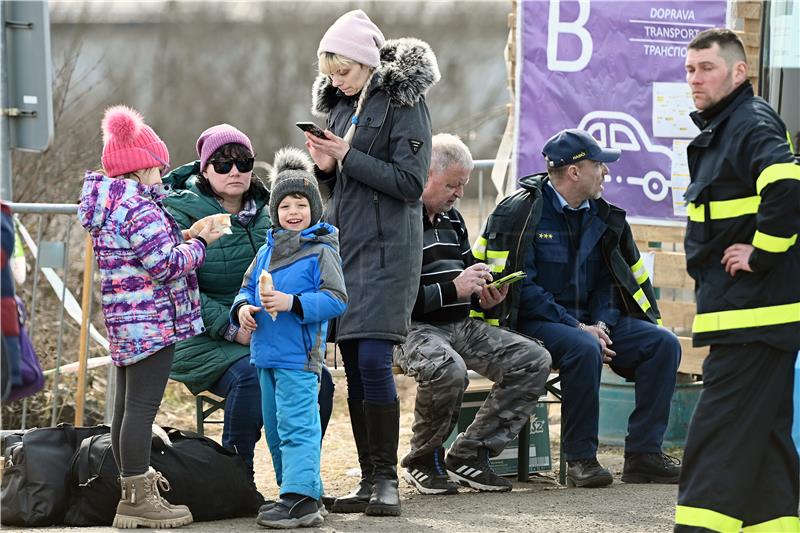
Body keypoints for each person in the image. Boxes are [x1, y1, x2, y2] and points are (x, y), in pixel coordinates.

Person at [475, 128, 682, 489]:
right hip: (535, 323)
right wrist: (576, 326)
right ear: (574, 171)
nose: (606, 173)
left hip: (594, 325)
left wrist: (599, 322)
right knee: (582, 347)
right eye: (599, 165)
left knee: (662, 343)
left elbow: (611, 283)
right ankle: (581, 459)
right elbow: (522, 287)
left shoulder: (606, 217)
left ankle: (644, 455)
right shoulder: (520, 213)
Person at [303, 9, 439, 516]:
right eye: (331, 73)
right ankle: (367, 478)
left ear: (365, 61)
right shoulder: (341, 106)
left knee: (375, 360)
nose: (335, 81)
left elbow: (409, 183)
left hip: (388, 253)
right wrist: (326, 169)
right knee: (358, 365)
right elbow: (346, 183)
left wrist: (347, 156)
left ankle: (387, 481)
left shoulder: (405, 102)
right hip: (348, 248)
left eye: (344, 71)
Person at [675, 29, 800, 532]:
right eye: (689, 69)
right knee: (763, 439)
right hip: (748, 314)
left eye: (706, 68)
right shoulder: (726, 127)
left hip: (755, 315)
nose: (695, 79)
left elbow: (786, 187)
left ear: (738, 71)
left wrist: (762, 252)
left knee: (717, 435)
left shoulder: (748, 121)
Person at [78, 105, 226, 529]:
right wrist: (201, 246)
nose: (162, 174)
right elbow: (164, 266)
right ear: (140, 168)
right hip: (153, 321)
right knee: (141, 410)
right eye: (158, 167)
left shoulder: (111, 206)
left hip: (126, 319)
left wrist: (185, 235)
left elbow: (142, 252)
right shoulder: (138, 208)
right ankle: (138, 499)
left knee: (126, 409)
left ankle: (130, 489)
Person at [162, 124, 335, 481]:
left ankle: (301, 479)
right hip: (203, 335)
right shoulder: (181, 213)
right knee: (252, 377)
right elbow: (180, 288)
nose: (235, 171)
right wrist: (231, 326)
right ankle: (237, 478)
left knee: (320, 379)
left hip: (272, 327)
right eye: (222, 164)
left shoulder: (275, 209)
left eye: (243, 162)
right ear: (204, 169)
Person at [395, 134, 552, 495]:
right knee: (447, 370)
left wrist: (486, 296)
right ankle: (423, 457)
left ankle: (470, 453)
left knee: (533, 359)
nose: (459, 193)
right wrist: (455, 289)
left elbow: (467, 277)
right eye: (452, 184)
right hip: (412, 328)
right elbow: (394, 300)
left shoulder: (453, 219)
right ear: (424, 176)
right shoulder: (398, 222)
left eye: (463, 184)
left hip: (459, 324)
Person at [231, 147, 347, 529]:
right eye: (285, 206)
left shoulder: (320, 251)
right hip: (264, 355)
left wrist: (293, 302)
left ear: (314, 209)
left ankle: (300, 499)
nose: (293, 212)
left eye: (301, 204)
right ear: (274, 212)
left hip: (299, 358)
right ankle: (296, 494)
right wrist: (243, 310)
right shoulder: (266, 249)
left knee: (299, 426)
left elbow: (335, 299)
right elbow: (246, 289)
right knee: (277, 430)